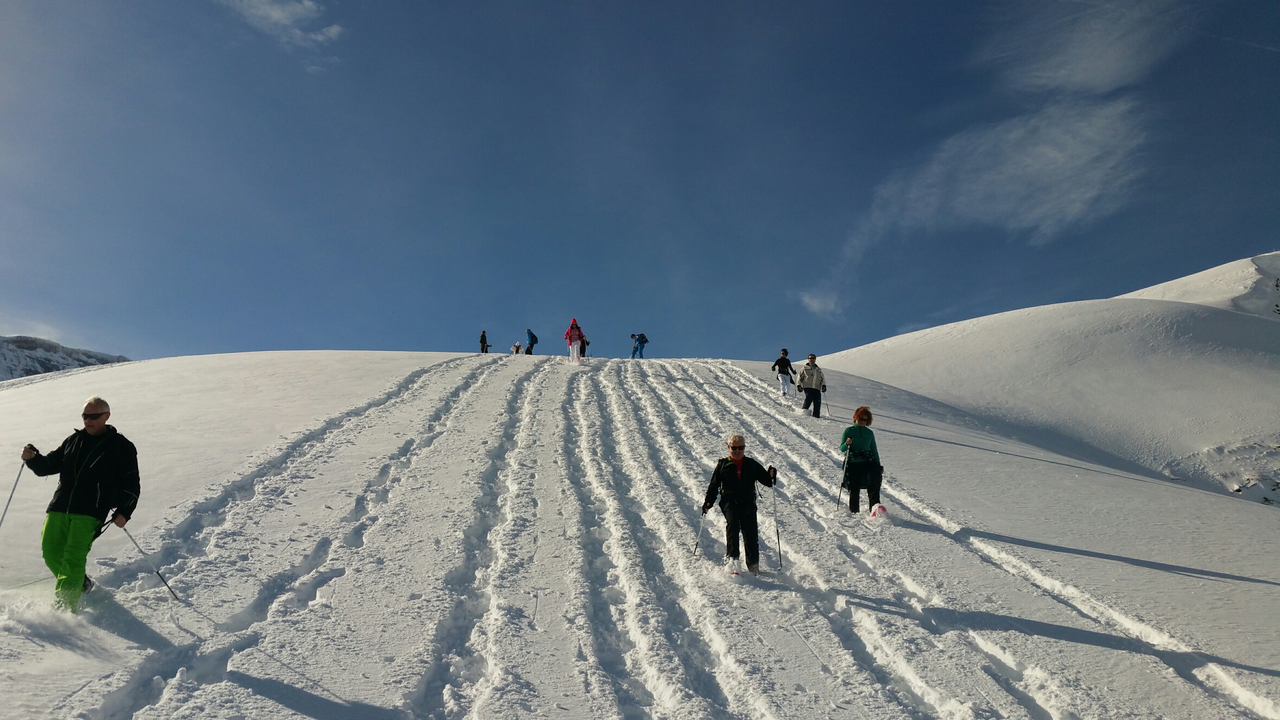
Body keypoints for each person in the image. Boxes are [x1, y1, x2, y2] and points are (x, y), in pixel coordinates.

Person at [21, 396, 140, 611]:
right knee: (50, 551)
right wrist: (33, 458)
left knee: (73, 557)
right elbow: (47, 466)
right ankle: (81, 584)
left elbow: (131, 482)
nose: (88, 421)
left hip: (91, 510)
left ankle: (64, 610)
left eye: (93, 416)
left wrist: (125, 510)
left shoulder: (121, 446)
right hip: (60, 505)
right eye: (85, 416)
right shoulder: (73, 441)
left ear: (106, 416)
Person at [702, 434, 777, 576]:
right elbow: (714, 486)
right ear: (728, 448)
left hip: (748, 502)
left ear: (744, 448)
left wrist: (772, 475)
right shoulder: (723, 465)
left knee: (750, 533)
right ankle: (733, 563)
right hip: (729, 502)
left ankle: (753, 566)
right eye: (734, 448)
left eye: (740, 448)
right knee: (733, 524)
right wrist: (708, 502)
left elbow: (768, 482)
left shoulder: (751, 464)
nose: (737, 451)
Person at [840, 406, 883, 514]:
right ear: (855, 418)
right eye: (861, 419)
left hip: (869, 462)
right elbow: (842, 448)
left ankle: (875, 508)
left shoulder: (869, 433)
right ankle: (854, 510)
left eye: (865, 420)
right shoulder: (849, 431)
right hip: (853, 462)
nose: (862, 422)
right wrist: (847, 443)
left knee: (873, 483)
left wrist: (878, 465)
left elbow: (874, 450)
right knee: (854, 487)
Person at [796, 354, 826, 418]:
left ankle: (816, 415)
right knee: (809, 397)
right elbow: (799, 377)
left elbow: (822, 378)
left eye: (813, 358)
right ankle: (804, 411)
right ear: (808, 359)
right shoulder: (804, 368)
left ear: (815, 359)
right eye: (810, 358)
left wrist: (823, 386)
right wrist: (799, 385)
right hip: (807, 386)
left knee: (817, 400)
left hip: (816, 387)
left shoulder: (818, 369)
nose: (812, 359)